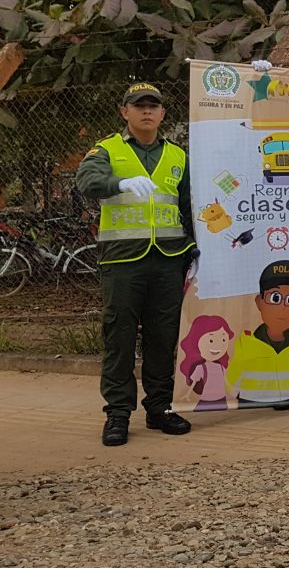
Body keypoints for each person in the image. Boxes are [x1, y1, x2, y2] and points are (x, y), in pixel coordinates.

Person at [74, 82, 196, 447]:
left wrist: (196, 247)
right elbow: (87, 180)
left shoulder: (178, 155)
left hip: (169, 260)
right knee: (120, 335)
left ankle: (159, 407)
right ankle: (118, 413)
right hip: (123, 259)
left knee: (163, 336)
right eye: (138, 105)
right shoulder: (107, 150)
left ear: (162, 114)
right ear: (124, 111)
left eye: (153, 106)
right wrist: (119, 182)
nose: (146, 111)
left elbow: (189, 205)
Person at [227, 261, 289, 409]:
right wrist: (230, 397)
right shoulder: (246, 342)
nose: (282, 307)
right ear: (259, 302)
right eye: (275, 298)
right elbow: (234, 375)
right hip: (251, 401)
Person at [177, 315, 234, 412]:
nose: (217, 345)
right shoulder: (201, 367)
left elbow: (226, 380)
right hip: (206, 399)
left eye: (223, 340)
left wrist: (232, 391)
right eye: (211, 340)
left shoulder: (220, 367)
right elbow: (194, 382)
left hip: (222, 398)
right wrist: (187, 394)